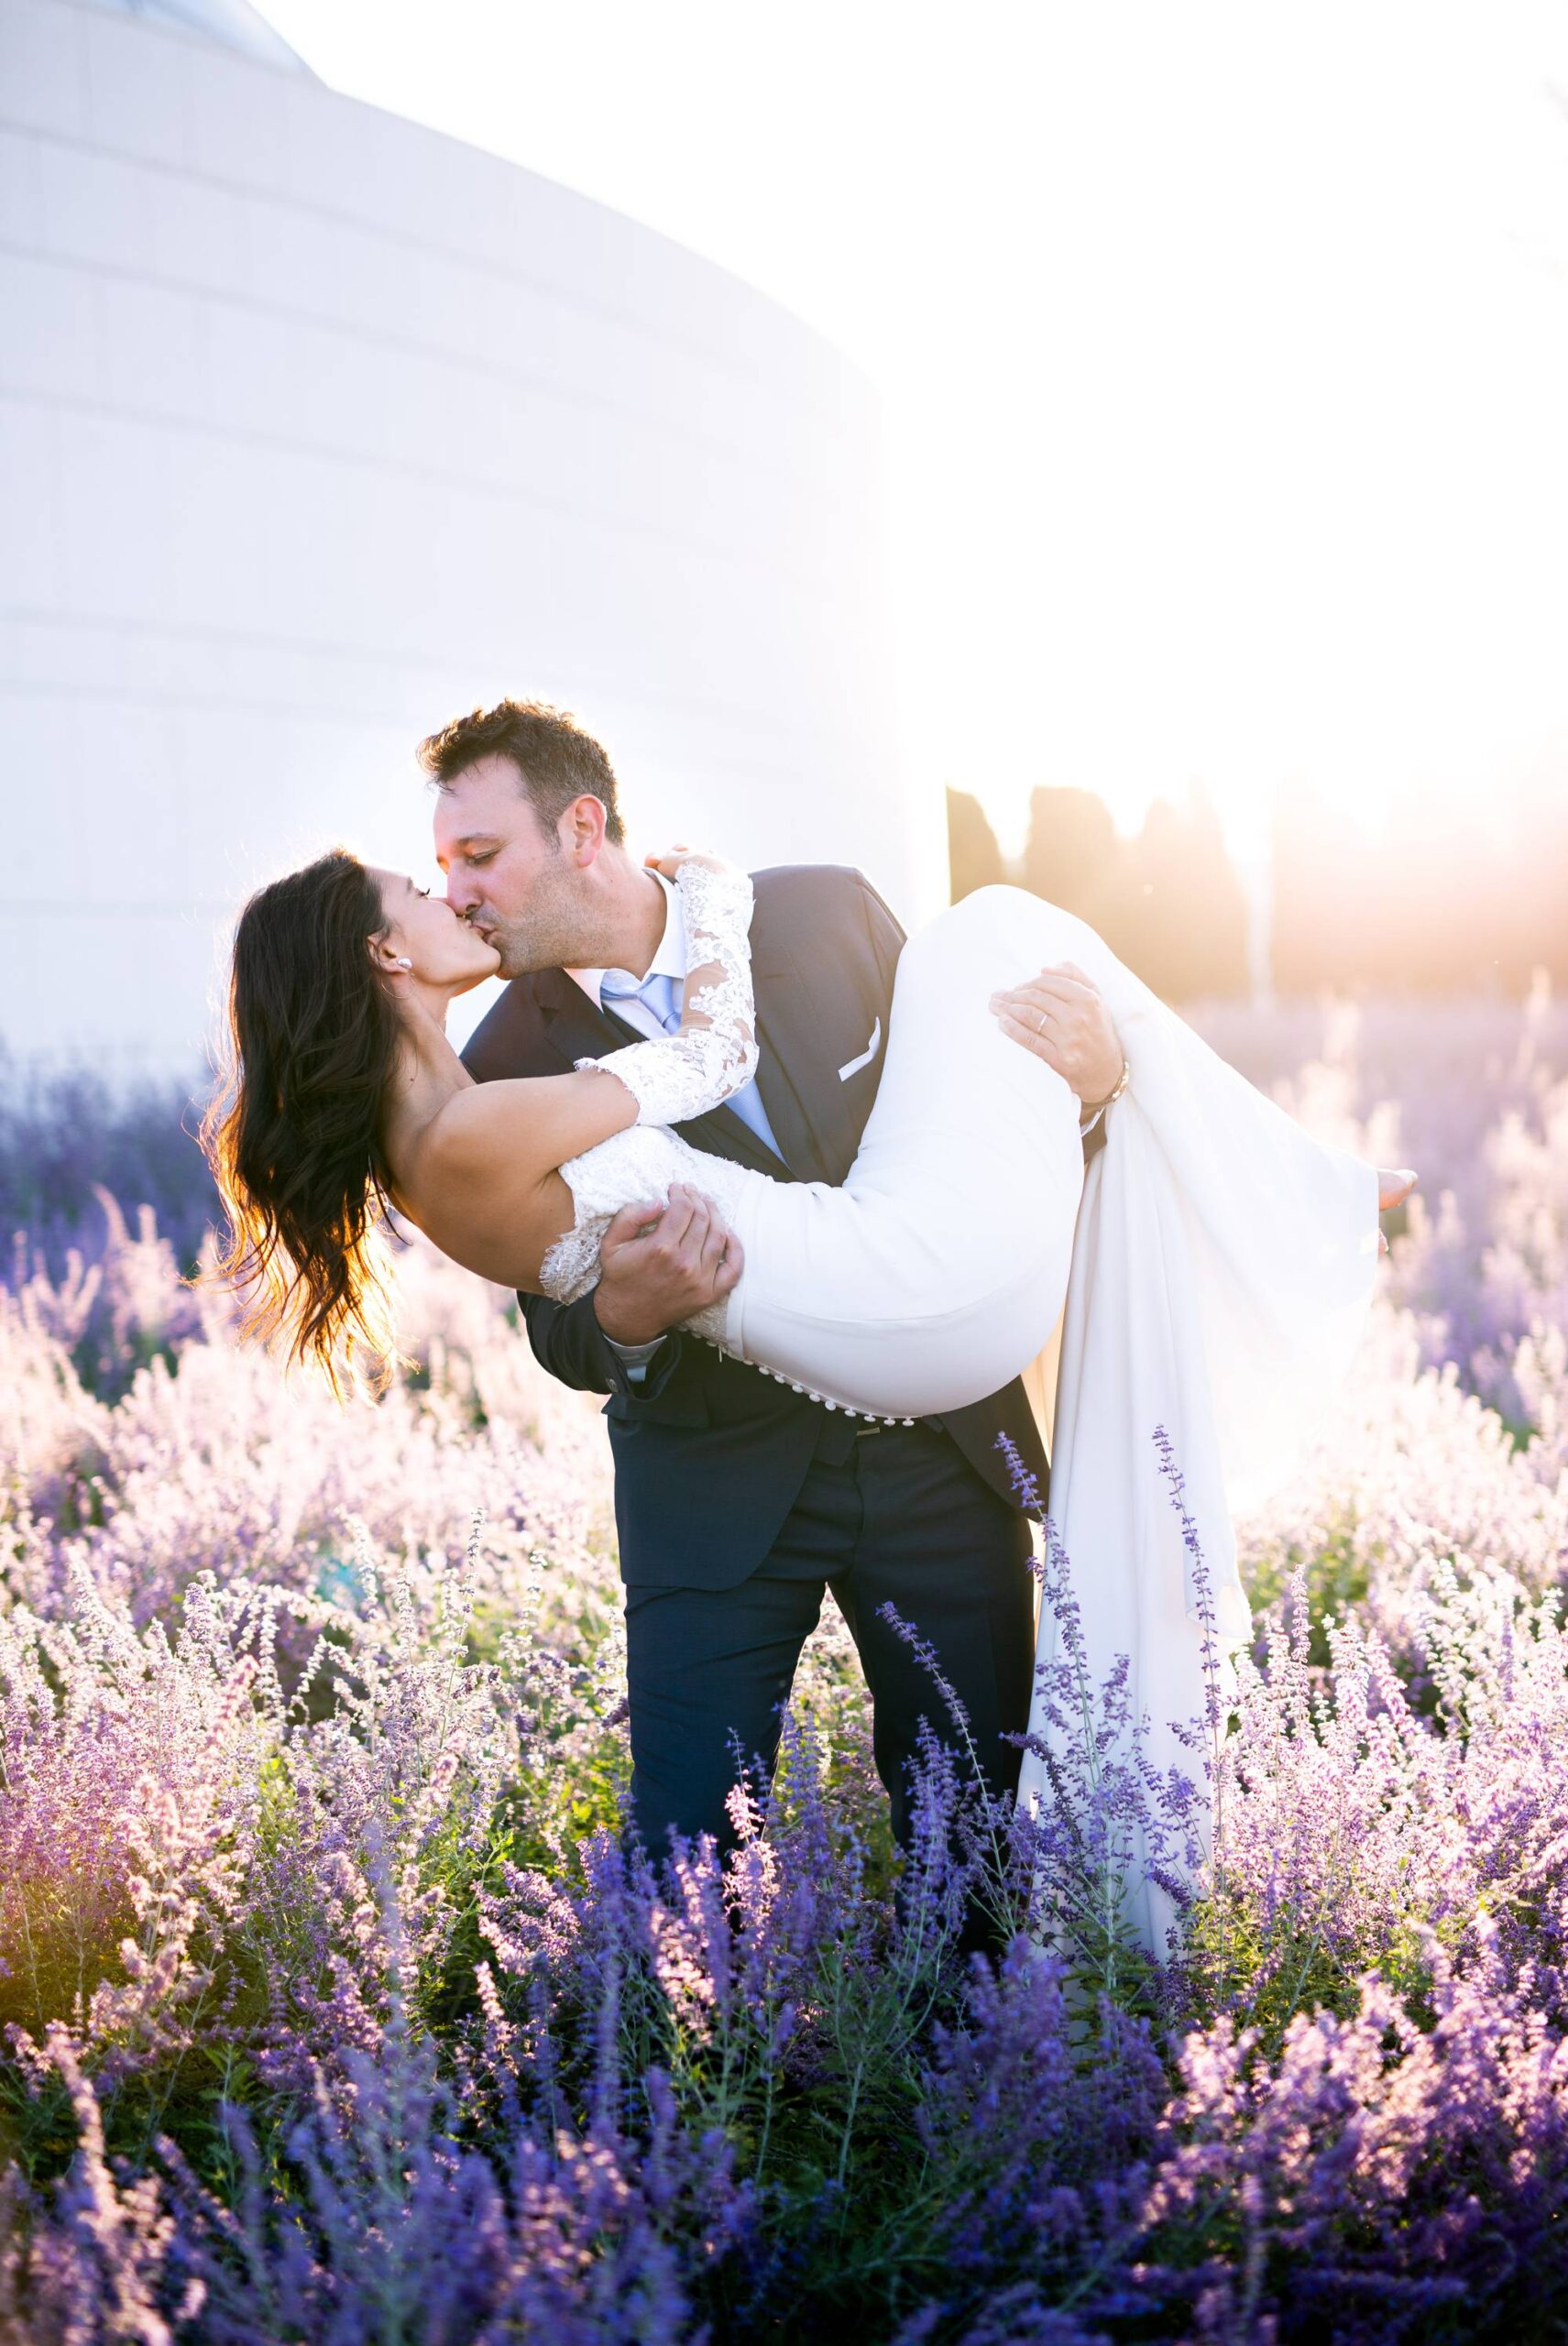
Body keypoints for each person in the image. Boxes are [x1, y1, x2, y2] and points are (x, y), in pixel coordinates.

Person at [205, 702, 1410, 1944]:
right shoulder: (501, 1061)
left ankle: (986, 2095)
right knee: (686, 1849)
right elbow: (559, 1321)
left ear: (581, 829)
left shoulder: (830, 915)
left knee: (976, 1828)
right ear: (383, 958)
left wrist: (1097, 1088)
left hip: (936, 1448)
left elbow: (977, 1127)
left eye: (477, 857)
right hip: (719, 1490)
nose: (459, 892)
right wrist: (624, 1314)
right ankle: (676, 2112)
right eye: (438, 869)